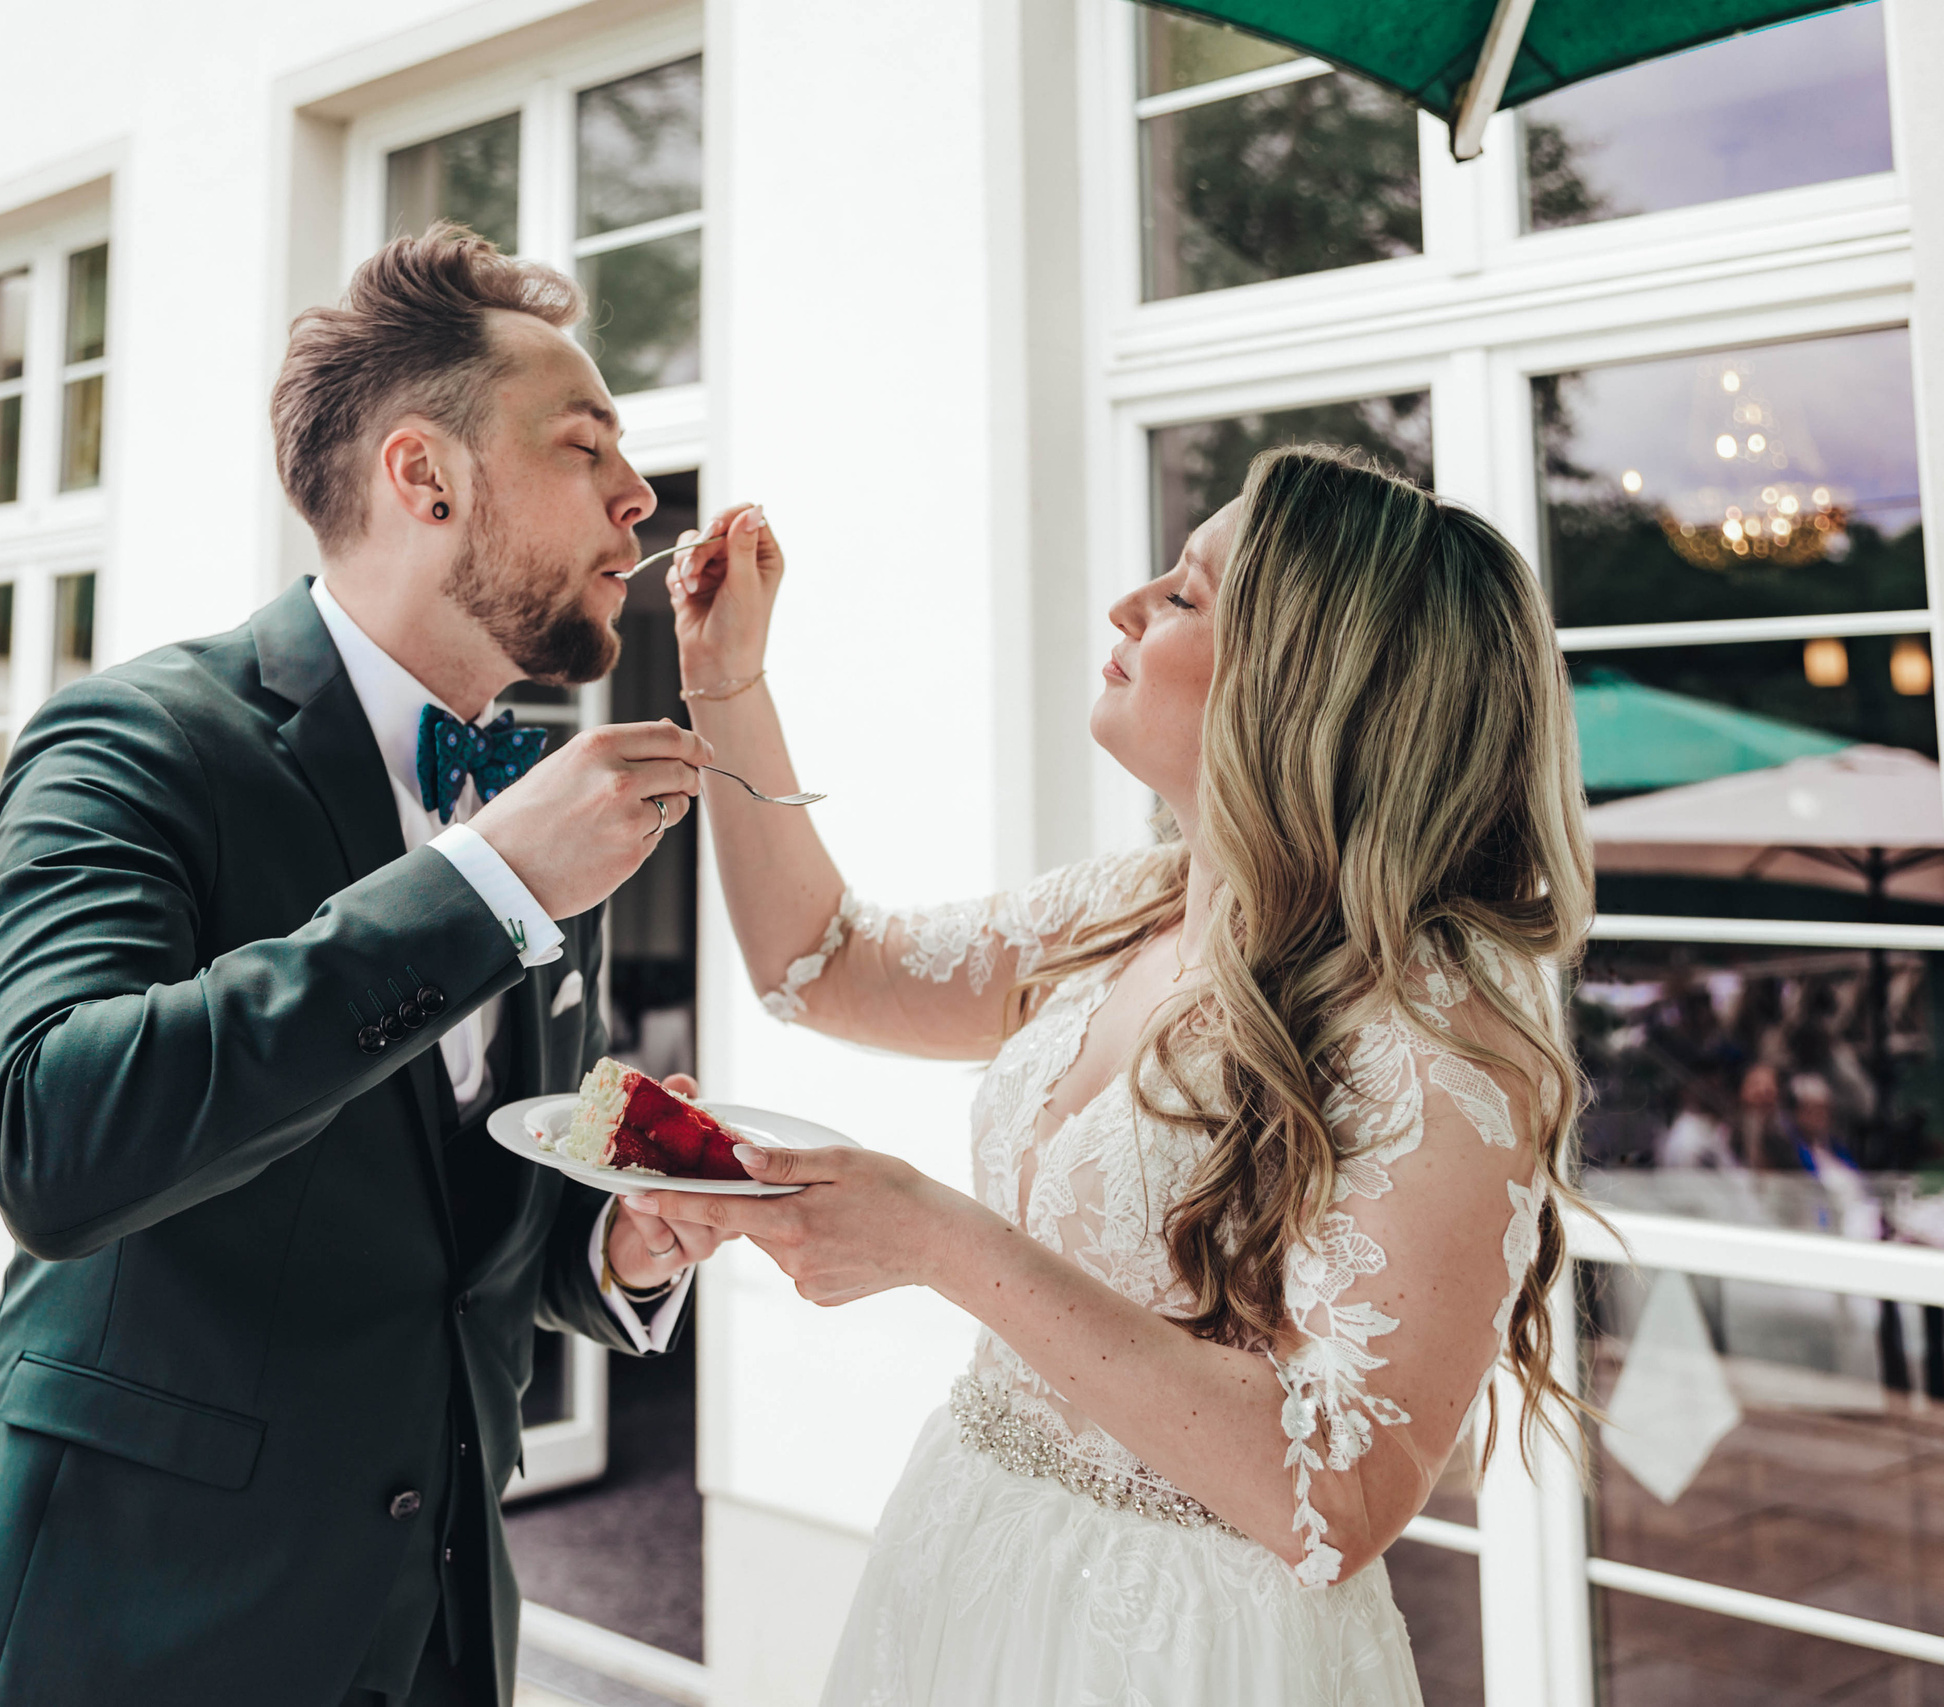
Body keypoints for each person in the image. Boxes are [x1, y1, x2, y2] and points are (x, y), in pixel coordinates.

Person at [0, 226, 727, 1707]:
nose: (640, 496)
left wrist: (609, 1250)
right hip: (122, 1629)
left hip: (430, 1632)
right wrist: (487, 884)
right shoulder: (135, 740)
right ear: (424, 477)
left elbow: (453, 1222)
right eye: (588, 444)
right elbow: (54, 1139)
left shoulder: (536, 808)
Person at [635, 447, 1596, 1703]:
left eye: (1187, 595)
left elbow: (1339, 1496)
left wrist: (936, 1238)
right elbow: (818, 964)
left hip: (1190, 1649)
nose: (1127, 605)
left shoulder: (1434, 1039)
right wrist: (724, 683)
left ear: (1302, 691)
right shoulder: (1130, 907)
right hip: (966, 1560)